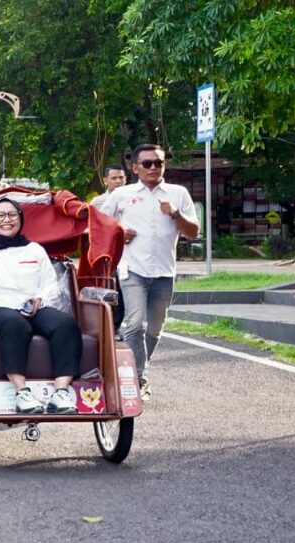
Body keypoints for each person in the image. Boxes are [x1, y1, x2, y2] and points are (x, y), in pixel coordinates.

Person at [0, 198, 82, 414]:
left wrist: (39, 299)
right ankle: (22, 392)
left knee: (65, 324)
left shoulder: (34, 249)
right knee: (15, 323)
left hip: (32, 306)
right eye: (0, 215)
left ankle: (61, 393)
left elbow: (50, 284)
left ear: (21, 219)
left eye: (12, 215)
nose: (7, 220)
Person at [100, 144, 199, 402]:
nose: (153, 167)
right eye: (147, 163)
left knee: (154, 329)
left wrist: (175, 214)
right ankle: (139, 377)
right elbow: (99, 223)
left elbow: (193, 232)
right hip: (132, 269)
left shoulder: (177, 193)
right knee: (134, 324)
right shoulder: (122, 194)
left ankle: (138, 369)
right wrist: (119, 230)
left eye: (158, 163)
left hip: (164, 270)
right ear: (135, 168)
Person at [91, 164, 128, 330]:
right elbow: (94, 229)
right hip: (110, 253)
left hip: (132, 252)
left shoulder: (135, 198)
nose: (118, 181)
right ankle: (113, 326)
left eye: (121, 177)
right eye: (114, 178)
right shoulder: (98, 203)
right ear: (105, 180)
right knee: (113, 288)